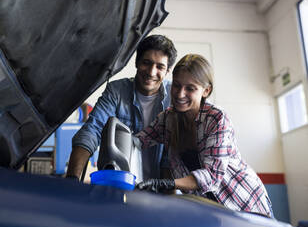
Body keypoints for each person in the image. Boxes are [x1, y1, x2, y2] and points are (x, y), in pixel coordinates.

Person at [135, 54, 273, 217]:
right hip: (213, 214)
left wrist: (167, 184)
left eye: (190, 88)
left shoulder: (216, 118)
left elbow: (212, 176)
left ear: (206, 91)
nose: (180, 94)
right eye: (177, 86)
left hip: (245, 205)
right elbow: (139, 140)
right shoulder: (167, 120)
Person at [66, 34, 177, 180]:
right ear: (137, 63)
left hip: (160, 190)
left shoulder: (175, 96)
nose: (151, 72)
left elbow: (174, 151)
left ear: (168, 71)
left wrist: (168, 195)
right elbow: (93, 129)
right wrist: (72, 178)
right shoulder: (116, 91)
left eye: (160, 67)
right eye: (146, 63)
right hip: (118, 186)